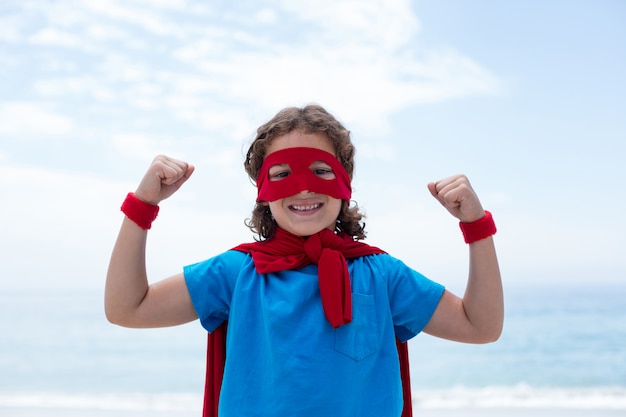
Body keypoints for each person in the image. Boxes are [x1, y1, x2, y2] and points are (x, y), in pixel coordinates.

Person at [105, 104, 503, 417]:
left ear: (344, 182)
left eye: (319, 170)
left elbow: (479, 326)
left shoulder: (381, 275)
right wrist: (141, 207)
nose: (304, 187)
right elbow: (128, 308)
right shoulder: (237, 273)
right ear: (263, 190)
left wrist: (476, 227)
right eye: (282, 174)